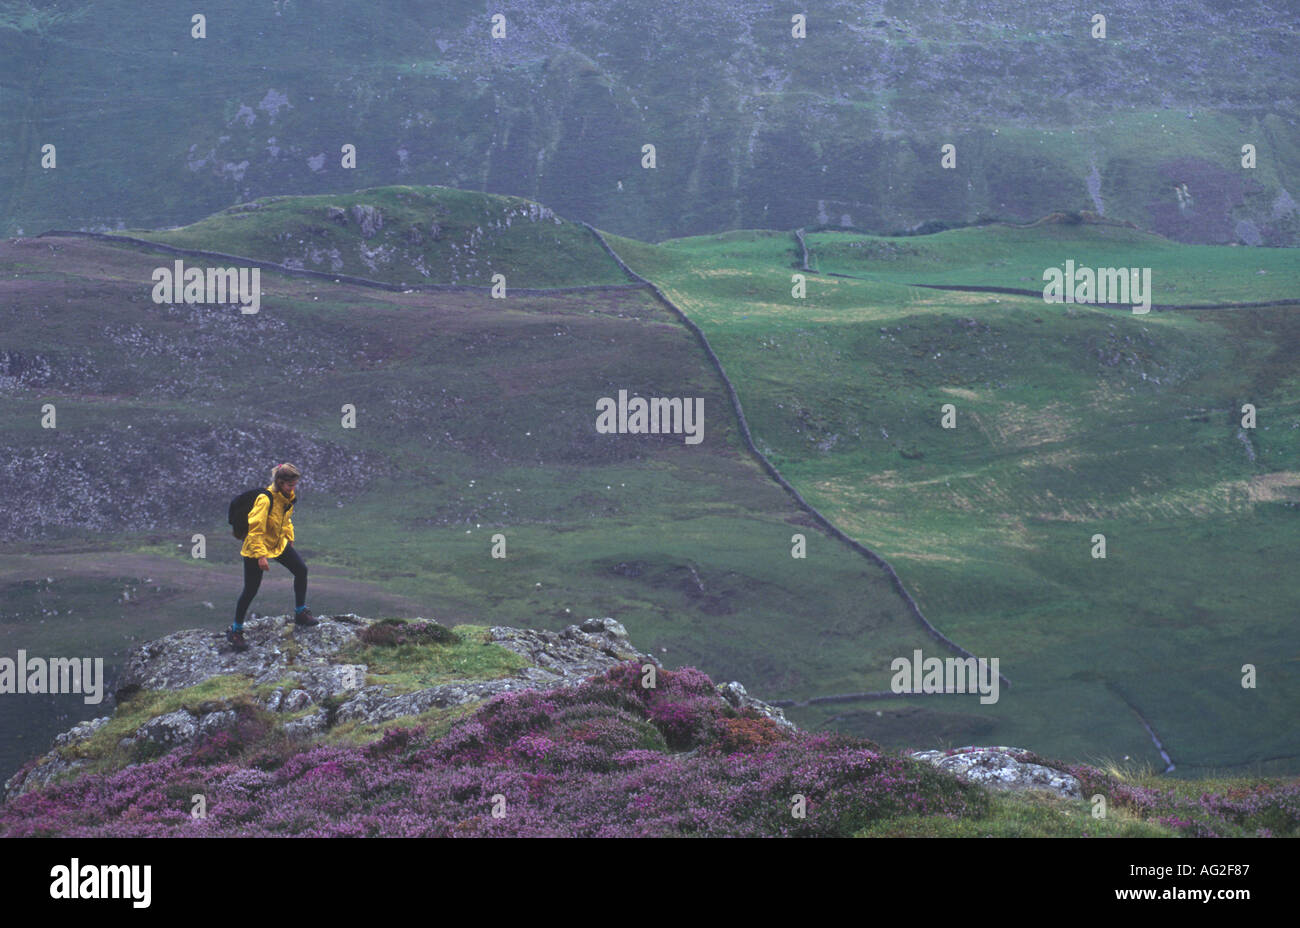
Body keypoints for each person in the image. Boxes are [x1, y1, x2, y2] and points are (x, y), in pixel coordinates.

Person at [227, 462, 317, 652]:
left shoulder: (288, 497)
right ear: (280, 482)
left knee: (301, 570)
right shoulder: (265, 499)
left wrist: (289, 538)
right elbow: (255, 530)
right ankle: (236, 631)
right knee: (251, 589)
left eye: (294, 485)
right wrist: (260, 556)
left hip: (277, 543)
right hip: (256, 547)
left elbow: (285, 519)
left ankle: (300, 612)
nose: (293, 488)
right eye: (290, 485)